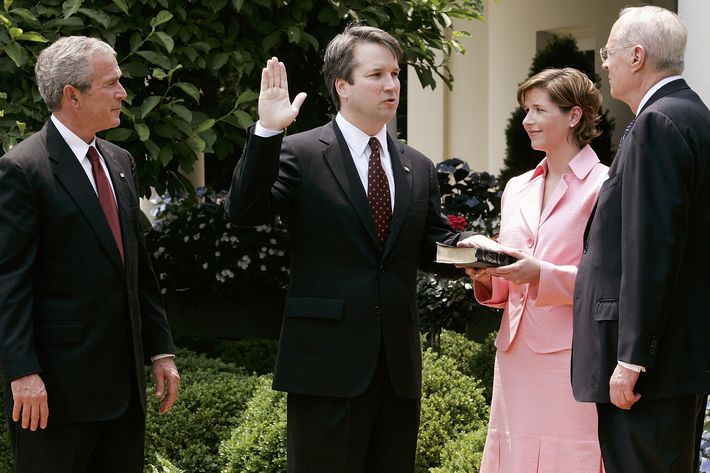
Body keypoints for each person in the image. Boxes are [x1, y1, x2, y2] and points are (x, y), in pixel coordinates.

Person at [226, 24, 473, 473]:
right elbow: (245, 211)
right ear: (342, 85)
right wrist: (266, 131)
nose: (391, 85)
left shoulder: (415, 164)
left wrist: (476, 256)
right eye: (376, 74)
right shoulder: (299, 152)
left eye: (396, 74)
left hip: (396, 369)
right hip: (325, 367)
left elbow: (432, 247)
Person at [0, 36, 180, 472]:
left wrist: (161, 350)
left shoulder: (120, 161)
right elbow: (8, 282)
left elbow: (138, 267)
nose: (123, 93)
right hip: (55, 395)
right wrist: (22, 373)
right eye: (112, 83)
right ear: (72, 95)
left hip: (124, 393)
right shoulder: (23, 169)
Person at [571, 6, 710, 473]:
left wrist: (632, 358)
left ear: (636, 56)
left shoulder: (659, 122)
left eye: (609, 53)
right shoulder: (691, 115)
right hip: (675, 362)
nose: (603, 63)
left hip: (651, 371)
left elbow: (652, 250)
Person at [461, 68, 608, 472]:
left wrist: (541, 273)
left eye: (539, 110)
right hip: (515, 356)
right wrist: (487, 274)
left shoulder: (605, 186)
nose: (526, 121)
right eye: (526, 110)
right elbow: (513, 280)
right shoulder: (517, 187)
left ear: (574, 116)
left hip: (573, 358)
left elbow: (609, 283)